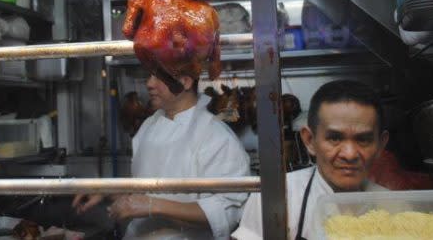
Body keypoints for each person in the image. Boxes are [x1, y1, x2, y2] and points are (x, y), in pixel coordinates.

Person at [73, 73, 250, 239]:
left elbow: (227, 211)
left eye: (159, 76)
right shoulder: (150, 126)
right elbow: (144, 191)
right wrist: (107, 191)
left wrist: (153, 206)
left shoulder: (215, 136)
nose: (149, 83)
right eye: (149, 75)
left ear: (186, 81)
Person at [232, 80, 389, 240]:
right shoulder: (275, 198)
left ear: (381, 145)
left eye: (363, 140)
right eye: (334, 138)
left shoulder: (396, 208)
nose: (349, 154)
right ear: (309, 141)